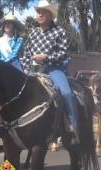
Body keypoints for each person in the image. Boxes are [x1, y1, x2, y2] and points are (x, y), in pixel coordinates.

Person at [20, 0, 79, 144]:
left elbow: (63, 53)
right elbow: (26, 54)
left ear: (51, 15)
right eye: (38, 12)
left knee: (66, 93)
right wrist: (27, 67)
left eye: (43, 12)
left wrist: (46, 57)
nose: (40, 14)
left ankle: (73, 124)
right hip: (33, 70)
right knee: (18, 92)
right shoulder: (32, 33)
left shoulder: (59, 32)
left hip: (54, 69)